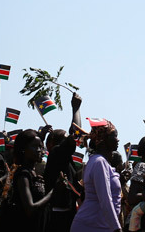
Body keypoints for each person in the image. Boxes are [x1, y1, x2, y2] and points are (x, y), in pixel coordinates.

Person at [0, 129, 54, 231]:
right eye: (35, 147)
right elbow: (30, 209)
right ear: (23, 149)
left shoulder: (33, 174)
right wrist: (52, 194)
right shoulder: (23, 174)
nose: (39, 150)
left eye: (41, 147)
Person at [71, 119, 122, 232]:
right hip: (91, 226)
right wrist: (117, 229)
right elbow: (105, 199)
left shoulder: (100, 162)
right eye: (114, 136)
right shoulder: (99, 162)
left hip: (102, 226)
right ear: (104, 139)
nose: (118, 139)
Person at [43, 93, 84, 232]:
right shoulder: (56, 153)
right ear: (51, 144)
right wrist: (76, 108)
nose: (69, 143)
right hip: (55, 217)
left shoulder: (68, 164)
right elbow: (76, 135)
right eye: (64, 141)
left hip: (68, 215)